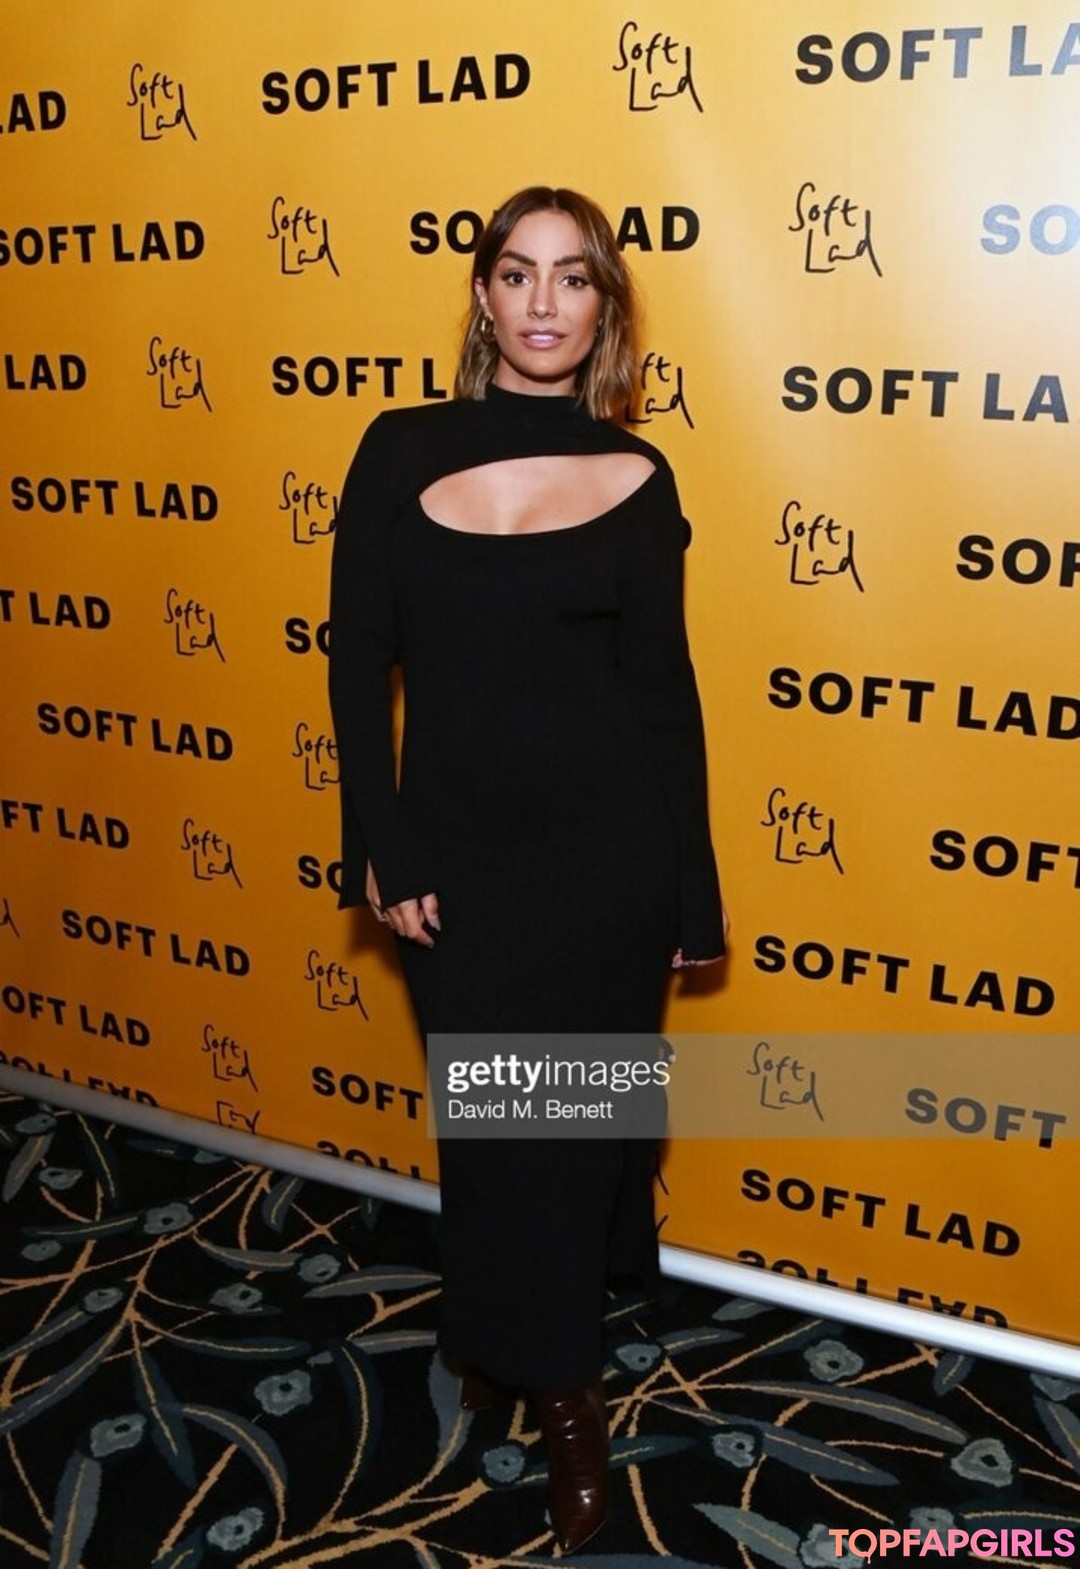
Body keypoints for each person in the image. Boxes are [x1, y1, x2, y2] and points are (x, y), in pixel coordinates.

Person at [328, 185, 727, 1554]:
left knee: (569, 1125)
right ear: (484, 297)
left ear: (605, 307)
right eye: (517, 272)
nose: (544, 301)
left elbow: (664, 695)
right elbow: (355, 655)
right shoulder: (398, 446)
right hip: (459, 862)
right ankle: (527, 1325)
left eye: (573, 277)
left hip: (611, 859)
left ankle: (564, 1394)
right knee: (501, 1126)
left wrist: (692, 890)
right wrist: (380, 843)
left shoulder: (641, 475)